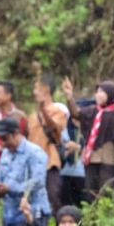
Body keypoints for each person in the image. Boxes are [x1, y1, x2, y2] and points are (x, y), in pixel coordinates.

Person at [0, 118, 51, 226]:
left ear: (16, 133)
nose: (3, 143)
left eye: (5, 139)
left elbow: (37, 182)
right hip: (11, 213)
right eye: (1, 140)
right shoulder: (5, 153)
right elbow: (2, 176)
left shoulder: (35, 153)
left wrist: (10, 188)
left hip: (30, 212)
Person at [62, 79, 114, 200]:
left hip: (108, 159)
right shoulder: (92, 111)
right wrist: (70, 97)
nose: (98, 94)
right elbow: (76, 114)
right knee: (90, 192)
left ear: (111, 94)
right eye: (97, 91)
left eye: (102, 92)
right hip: (91, 159)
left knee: (106, 191)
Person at [27, 75, 69, 212]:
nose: (34, 92)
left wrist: (44, 111)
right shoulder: (33, 116)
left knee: (53, 198)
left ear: (46, 90)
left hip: (50, 161)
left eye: (37, 88)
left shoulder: (58, 111)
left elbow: (54, 129)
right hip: (33, 164)